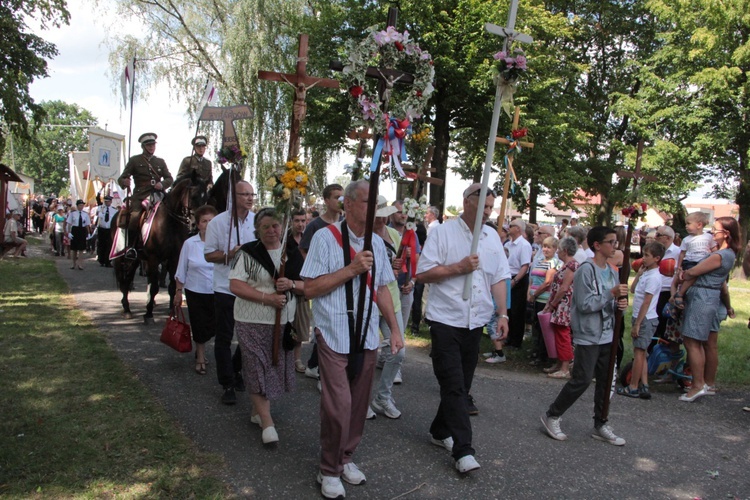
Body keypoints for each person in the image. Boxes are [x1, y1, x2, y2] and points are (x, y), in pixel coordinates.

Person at [301, 180, 403, 499]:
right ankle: (328, 468)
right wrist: (350, 269)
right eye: (366, 203)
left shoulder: (375, 241)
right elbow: (310, 288)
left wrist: (395, 330)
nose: (372, 210)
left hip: (366, 334)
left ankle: (345, 458)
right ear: (347, 205)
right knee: (339, 405)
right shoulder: (324, 237)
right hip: (333, 331)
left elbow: (382, 288)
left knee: (358, 406)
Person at [416, 183, 510, 474]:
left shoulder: (492, 236)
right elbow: (422, 273)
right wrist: (457, 268)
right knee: (454, 385)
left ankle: (438, 430)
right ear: (467, 202)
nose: (487, 212)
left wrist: (503, 314)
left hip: (476, 322)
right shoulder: (442, 233)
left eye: (491, 207)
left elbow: (498, 277)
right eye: (483, 206)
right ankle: (463, 450)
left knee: (462, 384)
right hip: (446, 320)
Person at [540, 226, 629, 446]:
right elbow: (584, 304)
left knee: (606, 380)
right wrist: (611, 294)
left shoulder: (611, 271)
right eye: (610, 242)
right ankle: (552, 415)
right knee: (582, 379)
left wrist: (621, 305)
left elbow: (613, 303)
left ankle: (601, 422)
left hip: (608, 334)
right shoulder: (585, 270)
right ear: (597, 245)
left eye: (616, 242)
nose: (614, 246)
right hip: (589, 335)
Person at [229, 207, 305, 444]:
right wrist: (267, 298)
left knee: (271, 369)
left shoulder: (291, 252)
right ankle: (268, 423)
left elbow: (307, 285)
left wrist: (290, 283)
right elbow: (236, 286)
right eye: (266, 227)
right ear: (257, 230)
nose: (272, 231)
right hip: (251, 320)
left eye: (275, 226)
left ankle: (256, 412)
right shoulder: (248, 253)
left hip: (281, 322)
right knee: (254, 367)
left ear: (283, 228)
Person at [676, 216, 740, 402]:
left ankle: (697, 385)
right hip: (705, 297)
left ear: (726, 234)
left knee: (692, 341)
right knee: (699, 341)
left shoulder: (721, 255)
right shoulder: (723, 254)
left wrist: (684, 273)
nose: (712, 232)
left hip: (702, 298)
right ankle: (704, 383)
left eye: (716, 230)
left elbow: (694, 271)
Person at [204, 180, 256, 405]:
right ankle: (227, 383)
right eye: (244, 194)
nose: (249, 198)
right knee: (225, 336)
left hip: (250, 287)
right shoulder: (218, 223)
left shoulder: (256, 221)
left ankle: (235, 370)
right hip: (225, 286)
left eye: (251, 194)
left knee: (249, 336)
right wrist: (230, 254)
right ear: (233, 197)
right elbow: (208, 255)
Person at [298, 183, 344, 381]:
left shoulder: (346, 223)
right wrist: (317, 269)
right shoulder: (316, 226)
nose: (340, 201)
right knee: (323, 326)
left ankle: (315, 364)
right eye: (336, 197)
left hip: (340, 281)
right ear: (326, 200)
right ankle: (319, 369)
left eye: (343, 197)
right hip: (321, 282)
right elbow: (304, 248)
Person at [370, 196, 406, 418]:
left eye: (385, 216)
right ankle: (359, 398)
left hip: (391, 297)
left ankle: (382, 396)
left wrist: (398, 268)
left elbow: (399, 262)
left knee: (398, 352)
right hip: (369, 299)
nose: (382, 221)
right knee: (368, 353)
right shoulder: (362, 236)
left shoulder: (393, 234)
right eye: (378, 217)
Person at [618, 241, 665, 399]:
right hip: (640, 316)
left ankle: (633, 386)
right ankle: (644, 384)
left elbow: (647, 302)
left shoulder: (654, 278)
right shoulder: (646, 274)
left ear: (657, 258)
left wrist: (637, 323)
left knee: (638, 353)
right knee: (642, 352)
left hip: (645, 319)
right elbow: (632, 289)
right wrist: (638, 274)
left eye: (647, 255)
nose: (643, 258)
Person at [175, 205, 218, 375]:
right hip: (196, 291)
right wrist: (179, 292)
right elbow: (181, 269)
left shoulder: (223, 244)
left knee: (215, 325)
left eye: (212, 221)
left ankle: (201, 345)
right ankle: (200, 355)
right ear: (198, 224)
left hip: (217, 291)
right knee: (199, 325)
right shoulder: (189, 244)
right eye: (204, 221)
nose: (208, 224)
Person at [117, 132, 173, 233]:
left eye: (153, 145)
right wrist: (124, 182)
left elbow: (169, 178)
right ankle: (132, 246)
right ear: (143, 146)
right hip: (140, 195)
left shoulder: (160, 161)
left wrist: (162, 184)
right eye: (148, 145)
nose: (152, 147)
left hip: (158, 194)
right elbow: (121, 178)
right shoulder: (135, 160)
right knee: (134, 218)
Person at [542, 236, 579, 378]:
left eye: (558, 249)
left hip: (564, 305)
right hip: (560, 305)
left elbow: (564, 288)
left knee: (563, 335)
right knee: (558, 334)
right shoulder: (566, 265)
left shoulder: (572, 266)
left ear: (565, 250)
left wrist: (552, 305)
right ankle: (559, 363)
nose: (556, 252)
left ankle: (565, 367)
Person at [528, 236, 560, 367]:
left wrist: (534, 294)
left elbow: (547, 282)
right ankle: (537, 352)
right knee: (536, 327)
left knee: (543, 329)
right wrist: (529, 293)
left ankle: (544, 357)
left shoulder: (554, 263)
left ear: (555, 249)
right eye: (544, 246)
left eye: (549, 247)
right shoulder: (541, 260)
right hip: (535, 298)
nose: (545, 249)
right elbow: (533, 278)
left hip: (544, 299)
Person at [672, 212, 715, 307]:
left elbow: (714, 250)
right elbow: (682, 253)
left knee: (696, 275)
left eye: (688, 223)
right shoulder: (686, 239)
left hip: (703, 262)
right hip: (690, 262)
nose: (686, 226)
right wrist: (679, 266)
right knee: (692, 275)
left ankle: (680, 295)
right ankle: (680, 294)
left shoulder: (708, 237)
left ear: (699, 225)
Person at [287, 208, 311, 373]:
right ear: (291, 221)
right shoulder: (284, 241)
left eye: (303, 221)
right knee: (284, 326)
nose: (300, 224)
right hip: (285, 289)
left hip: (303, 290)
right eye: (297, 221)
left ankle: (296, 359)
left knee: (300, 328)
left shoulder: (308, 240)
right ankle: (284, 359)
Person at [505, 217, 532, 349]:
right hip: (507, 276)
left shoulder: (524, 245)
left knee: (517, 311)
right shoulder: (507, 244)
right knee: (508, 310)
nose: (508, 227)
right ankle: (507, 337)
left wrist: (515, 280)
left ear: (518, 229)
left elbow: (525, 266)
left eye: (511, 225)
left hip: (518, 279)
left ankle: (516, 341)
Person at [653, 226, 681, 345]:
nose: (655, 237)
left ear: (668, 238)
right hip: (654, 290)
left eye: (658, 235)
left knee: (664, 323)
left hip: (666, 292)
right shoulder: (655, 251)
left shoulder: (678, 253)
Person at [65, 200, 91, 270]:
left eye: (82, 205)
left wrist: (88, 233)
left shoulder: (85, 214)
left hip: (82, 230)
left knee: (81, 249)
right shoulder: (73, 214)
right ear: (77, 206)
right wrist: (69, 232)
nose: (81, 207)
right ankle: (73, 264)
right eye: (80, 205)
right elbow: (69, 223)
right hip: (75, 230)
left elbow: (87, 225)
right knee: (74, 249)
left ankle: (80, 264)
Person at [96, 195, 117, 267]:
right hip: (102, 228)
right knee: (101, 244)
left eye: (108, 201)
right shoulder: (101, 208)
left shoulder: (114, 210)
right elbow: (97, 199)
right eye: (106, 201)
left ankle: (107, 261)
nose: (107, 203)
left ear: (111, 202)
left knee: (109, 245)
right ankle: (101, 260)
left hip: (109, 229)